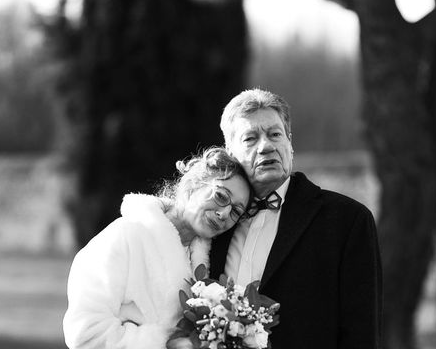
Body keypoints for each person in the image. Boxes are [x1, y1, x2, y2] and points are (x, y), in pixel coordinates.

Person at [210, 88, 383, 349]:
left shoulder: (348, 221)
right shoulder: (214, 222)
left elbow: (361, 332)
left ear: (290, 144)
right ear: (230, 153)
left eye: (275, 134)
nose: (266, 146)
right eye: (250, 138)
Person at [63, 147, 251, 349]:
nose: (224, 213)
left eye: (236, 211)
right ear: (195, 183)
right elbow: (85, 332)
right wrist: (166, 344)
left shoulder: (202, 264)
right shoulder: (126, 235)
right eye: (221, 196)